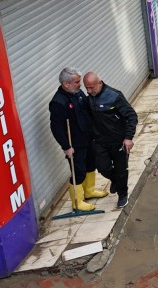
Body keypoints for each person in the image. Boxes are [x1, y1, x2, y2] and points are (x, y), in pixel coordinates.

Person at [49, 67, 106, 212]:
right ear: (66, 84)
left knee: (90, 164)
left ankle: (89, 191)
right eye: (76, 82)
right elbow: (56, 128)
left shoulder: (78, 93)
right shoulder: (58, 102)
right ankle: (77, 202)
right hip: (74, 144)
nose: (80, 85)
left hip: (88, 137)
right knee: (78, 171)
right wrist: (66, 146)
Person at [83, 72, 138, 209]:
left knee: (121, 170)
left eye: (91, 88)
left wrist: (128, 138)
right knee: (102, 167)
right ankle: (115, 180)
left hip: (119, 141)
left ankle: (122, 194)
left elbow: (132, 116)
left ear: (100, 83)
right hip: (100, 141)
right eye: (86, 88)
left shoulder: (114, 96)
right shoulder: (89, 98)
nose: (89, 91)